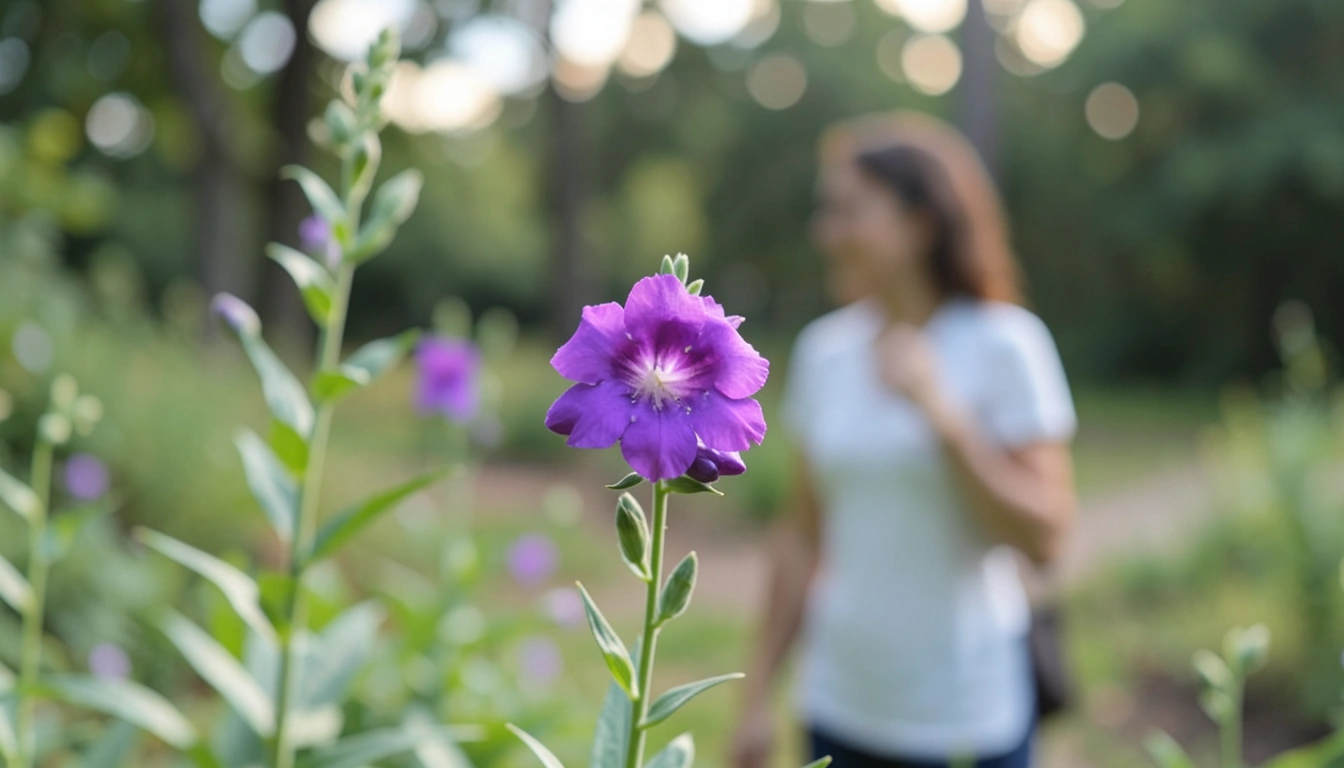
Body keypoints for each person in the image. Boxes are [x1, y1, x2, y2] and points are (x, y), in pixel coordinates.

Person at [730, 112, 1078, 768]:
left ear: (920, 224)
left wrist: (940, 414)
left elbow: (1047, 537)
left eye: (847, 212)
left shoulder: (1007, 344)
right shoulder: (823, 351)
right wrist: (755, 701)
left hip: (969, 718)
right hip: (837, 707)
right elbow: (801, 537)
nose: (825, 233)